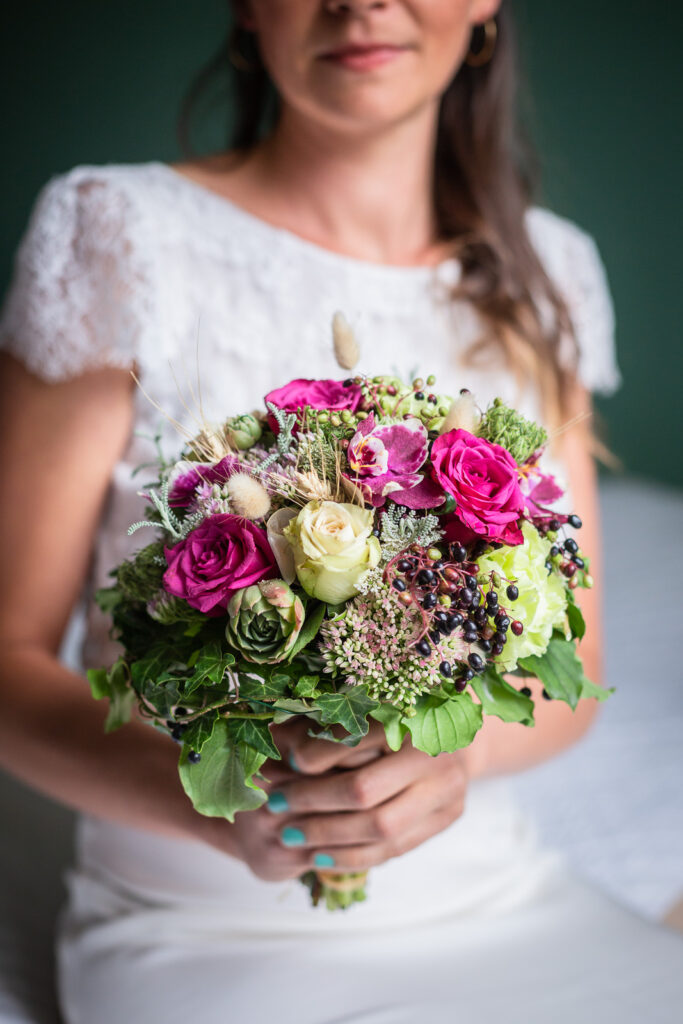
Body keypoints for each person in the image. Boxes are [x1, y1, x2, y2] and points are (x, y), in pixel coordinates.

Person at [0, 1, 681, 1021]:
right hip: (199, 921)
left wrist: (456, 758)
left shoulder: (549, 274)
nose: (359, 2)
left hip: (487, 890)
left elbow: (569, 680)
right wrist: (224, 813)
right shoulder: (116, 231)